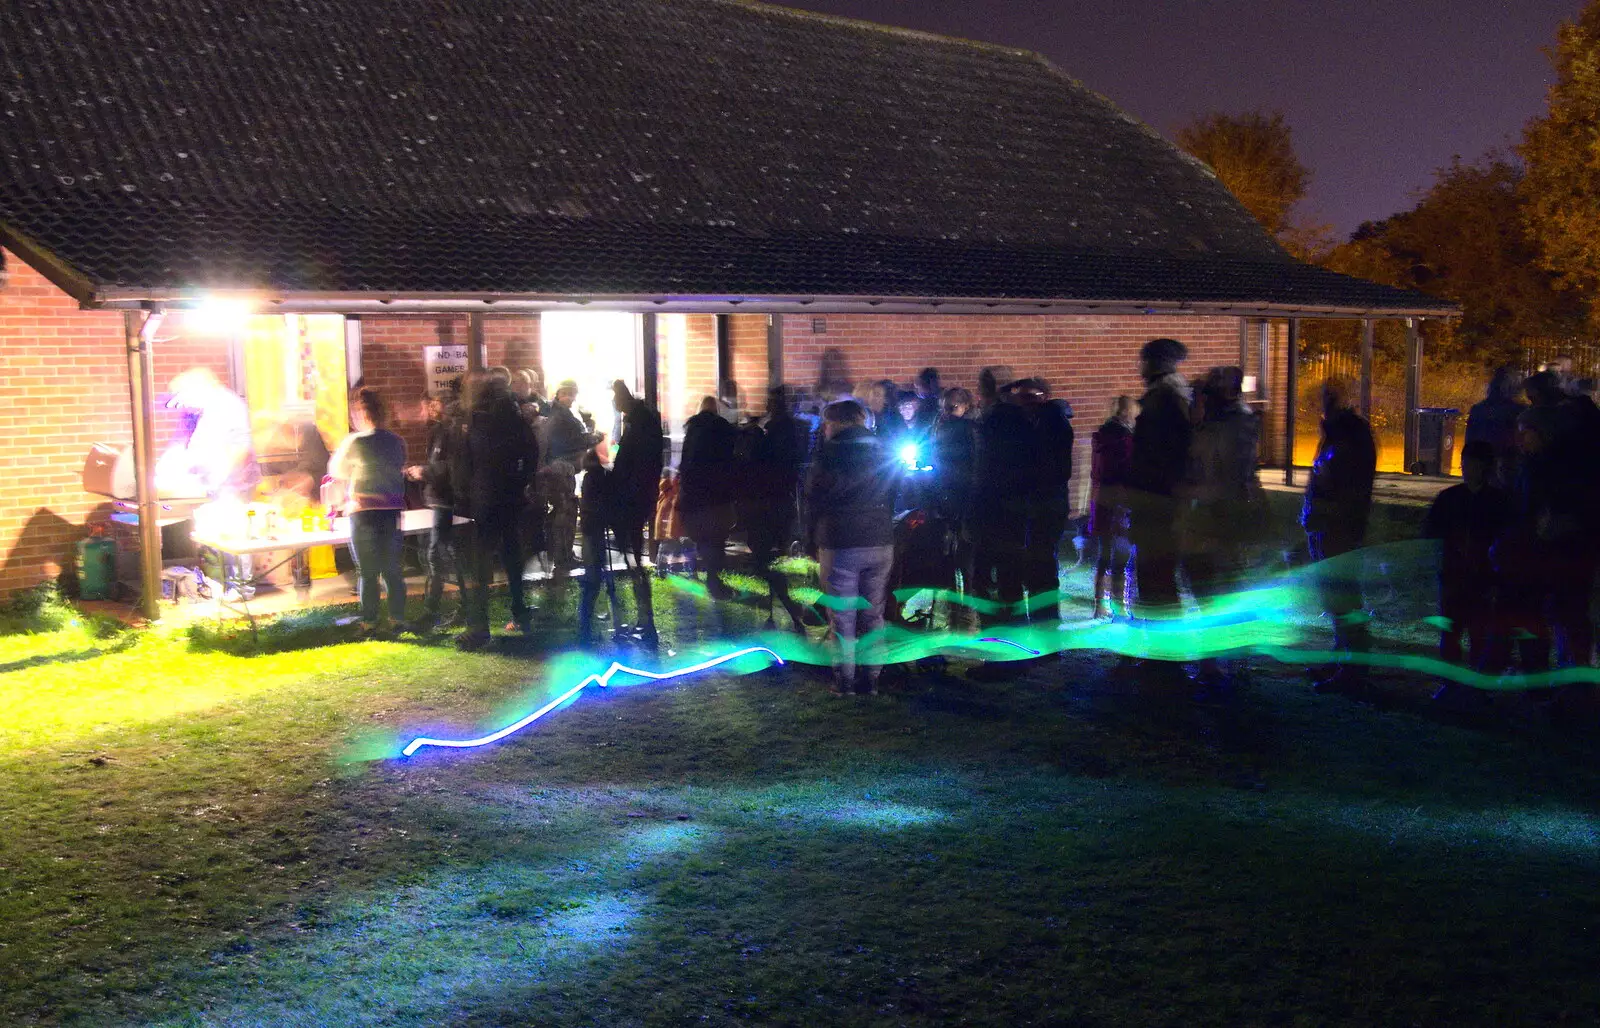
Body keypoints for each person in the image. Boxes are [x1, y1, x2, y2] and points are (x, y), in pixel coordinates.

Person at [806, 400, 900, 695]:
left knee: (842, 617)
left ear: (836, 423)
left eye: (827, 424)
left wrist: (810, 536)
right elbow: (902, 489)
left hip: (840, 540)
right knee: (874, 614)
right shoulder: (885, 449)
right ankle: (872, 679)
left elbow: (814, 495)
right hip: (880, 538)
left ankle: (844, 681)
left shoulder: (829, 454)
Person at [1180, 367, 1261, 690]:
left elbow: (1225, 476)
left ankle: (1217, 660)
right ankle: (1216, 658)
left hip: (1219, 520)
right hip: (1206, 520)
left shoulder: (1232, 426)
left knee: (1216, 590)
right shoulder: (1216, 426)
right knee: (1207, 589)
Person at [1300, 376, 1378, 695]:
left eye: (1330, 396)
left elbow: (1345, 483)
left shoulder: (1349, 434)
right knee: (1334, 596)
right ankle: (1341, 656)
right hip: (1326, 525)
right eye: (1324, 395)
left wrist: (1328, 512)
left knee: (1344, 595)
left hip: (1338, 527)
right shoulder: (1335, 431)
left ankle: (1353, 666)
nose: (1324, 401)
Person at [456, 371, 539, 650]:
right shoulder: (514, 420)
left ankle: (479, 628)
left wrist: (465, 493)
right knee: (512, 558)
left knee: (480, 565)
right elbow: (531, 451)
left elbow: (466, 461)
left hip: (486, 499)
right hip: (511, 496)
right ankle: (519, 612)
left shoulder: (477, 421)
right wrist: (523, 479)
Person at [1422, 439, 1509, 679]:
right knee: (1451, 629)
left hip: (1482, 577)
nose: (1465, 468)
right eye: (1464, 463)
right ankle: (1452, 680)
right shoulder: (1450, 499)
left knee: (1478, 631)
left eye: (1470, 463)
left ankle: (1474, 680)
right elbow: (1431, 535)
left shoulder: (1496, 502)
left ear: (1484, 466)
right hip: (1453, 574)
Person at [1126, 338, 1193, 636]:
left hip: (1158, 505)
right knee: (1156, 578)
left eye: (1145, 360)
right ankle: (1160, 653)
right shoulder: (1166, 398)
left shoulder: (1164, 401)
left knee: (1157, 579)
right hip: (1156, 502)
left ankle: (1163, 658)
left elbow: (1164, 456)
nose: (1141, 367)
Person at [329, 388, 408, 636]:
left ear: (359, 414)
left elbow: (337, 470)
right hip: (392, 510)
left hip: (363, 511)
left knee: (367, 570)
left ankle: (370, 621)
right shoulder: (396, 441)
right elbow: (399, 465)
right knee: (392, 569)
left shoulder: (355, 441)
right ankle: (397, 618)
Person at [743, 386, 811, 632]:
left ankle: (791, 612)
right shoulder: (796, 432)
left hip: (767, 505)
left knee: (766, 559)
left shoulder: (773, 434)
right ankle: (787, 611)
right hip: (783, 503)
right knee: (775, 557)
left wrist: (755, 436)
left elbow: (761, 468)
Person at [606, 380, 664, 645]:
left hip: (634, 499)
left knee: (635, 562)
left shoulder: (639, 425)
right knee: (634, 561)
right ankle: (644, 618)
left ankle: (646, 620)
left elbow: (632, 464)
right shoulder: (642, 422)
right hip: (638, 497)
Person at [405, 391, 467, 632]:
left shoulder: (453, 432)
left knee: (442, 554)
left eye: (433, 404)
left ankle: (440, 610)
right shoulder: (439, 431)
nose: (429, 410)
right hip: (439, 499)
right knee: (438, 554)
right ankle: (445, 609)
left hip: (447, 501)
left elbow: (450, 467)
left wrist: (425, 472)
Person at [678, 395, 740, 599]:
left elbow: (685, 464)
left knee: (703, 538)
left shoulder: (692, 430)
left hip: (695, 495)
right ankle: (714, 581)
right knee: (716, 539)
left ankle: (705, 575)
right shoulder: (723, 430)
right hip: (716, 495)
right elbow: (731, 461)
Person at [1089, 395, 1135, 618]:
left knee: (1104, 555)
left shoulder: (1101, 438)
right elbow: (1128, 472)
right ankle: (1120, 605)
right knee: (1121, 557)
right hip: (1120, 502)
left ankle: (1099, 605)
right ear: (1127, 413)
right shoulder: (1125, 439)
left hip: (1102, 500)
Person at [1465, 366, 1526, 488]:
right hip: (1508, 458)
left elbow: (1470, 437)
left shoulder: (1478, 409)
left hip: (1482, 457)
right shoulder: (1518, 411)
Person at [541, 379, 601, 468]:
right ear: (558, 394)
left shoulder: (570, 411)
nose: (567, 397)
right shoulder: (559, 413)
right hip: (562, 464)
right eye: (564, 393)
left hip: (563, 463)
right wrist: (596, 437)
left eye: (571, 394)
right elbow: (578, 440)